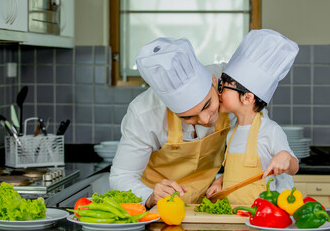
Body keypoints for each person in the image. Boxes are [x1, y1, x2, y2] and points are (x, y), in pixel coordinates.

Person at [110, 37, 234, 208]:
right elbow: (122, 176)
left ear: (213, 81)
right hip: (158, 211)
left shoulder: (232, 85)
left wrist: (230, 176)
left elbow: (256, 131)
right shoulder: (144, 113)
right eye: (188, 117)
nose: (206, 120)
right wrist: (149, 196)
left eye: (207, 105)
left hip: (205, 206)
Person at [205, 29, 300, 206]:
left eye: (224, 87)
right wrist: (220, 182)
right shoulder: (232, 132)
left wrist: (285, 157)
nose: (219, 92)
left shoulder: (269, 130)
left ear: (247, 98)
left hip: (267, 216)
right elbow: (241, 173)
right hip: (239, 216)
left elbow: (294, 167)